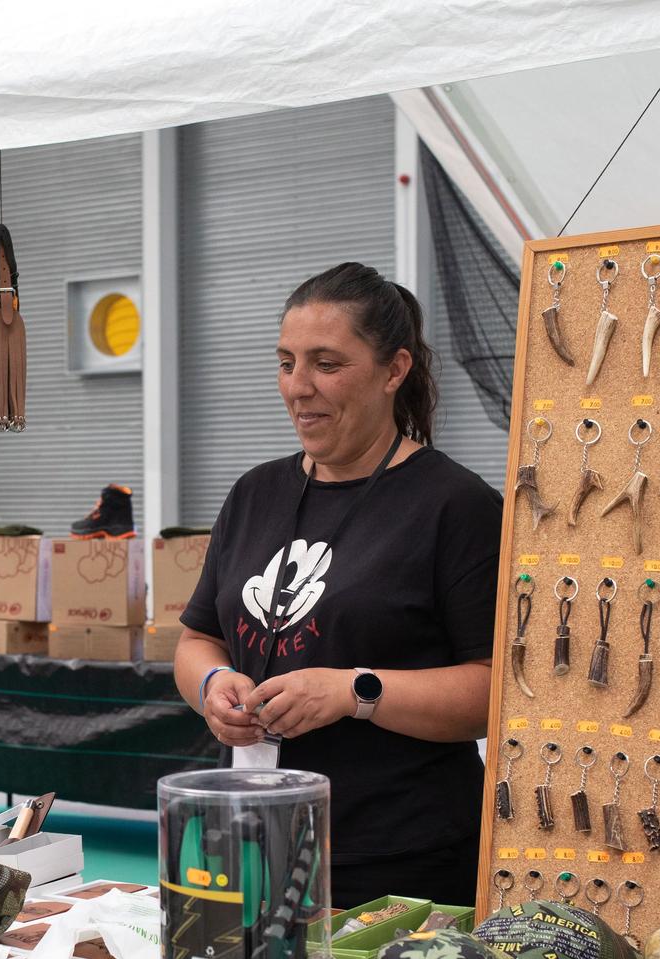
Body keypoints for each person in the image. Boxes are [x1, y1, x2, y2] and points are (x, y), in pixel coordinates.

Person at [175, 262, 501, 910]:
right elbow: (197, 638)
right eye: (287, 362)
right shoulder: (254, 493)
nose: (299, 387)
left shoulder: (456, 507)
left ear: (394, 369)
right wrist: (213, 685)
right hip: (251, 846)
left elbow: (496, 692)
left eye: (326, 363)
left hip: (401, 871)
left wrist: (354, 691)